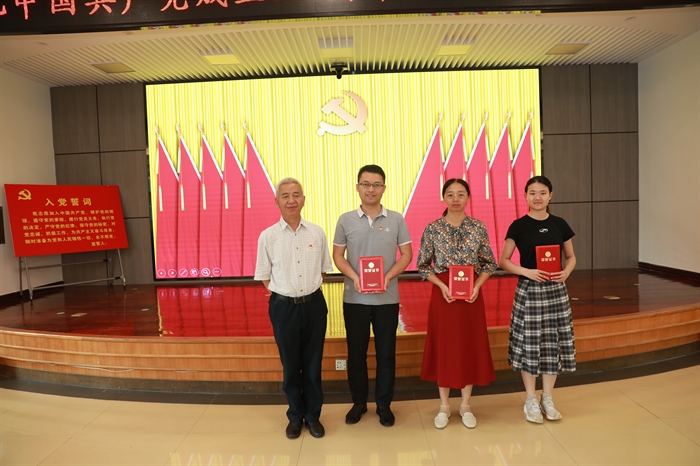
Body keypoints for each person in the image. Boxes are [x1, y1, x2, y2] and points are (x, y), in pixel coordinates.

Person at [333, 164, 412, 427]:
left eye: (376, 184)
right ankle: (358, 403)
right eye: (366, 184)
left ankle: (384, 405)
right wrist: (355, 277)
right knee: (356, 355)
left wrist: (388, 276)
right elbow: (337, 256)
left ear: (384, 188)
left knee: (386, 354)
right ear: (358, 187)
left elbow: (407, 255)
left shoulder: (396, 219)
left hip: (387, 300)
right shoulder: (345, 219)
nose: (371, 189)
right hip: (355, 299)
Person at [254, 177, 333, 439]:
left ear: (304, 200)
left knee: (313, 364)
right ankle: (295, 416)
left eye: (296, 195)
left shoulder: (317, 233)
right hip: (283, 308)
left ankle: (313, 416)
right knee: (290, 365)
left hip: (314, 306)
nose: (291, 200)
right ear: (277, 201)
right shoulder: (268, 236)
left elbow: (323, 270)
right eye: (285, 195)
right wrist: (286, 294)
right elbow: (265, 277)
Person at [416, 178, 497, 430]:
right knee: (445, 346)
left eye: (461, 194)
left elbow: (489, 263)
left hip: (470, 295)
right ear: (444, 198)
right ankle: (444, 406)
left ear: (468, 197)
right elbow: (422, 265)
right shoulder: (433, 228)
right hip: (444, 294)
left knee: (468, 345)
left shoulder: (478, 227)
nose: (455, 199)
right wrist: (441, 286)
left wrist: (477, 285)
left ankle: (465, 405)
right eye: (450, 194)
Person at [499, 175, 577, 424]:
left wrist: (566, 272)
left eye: (542, 192)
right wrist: (527, 272)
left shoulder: (560, 224)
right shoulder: (518, 226)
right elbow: (504, 261)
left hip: (556, 290)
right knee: (529, 343)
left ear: (550, 195)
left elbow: (571, 257)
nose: (537, 197)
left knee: (552, 343)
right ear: (525, 196)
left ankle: (548, 398)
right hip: (529, 290)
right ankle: (531, 399)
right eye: (532, 192)